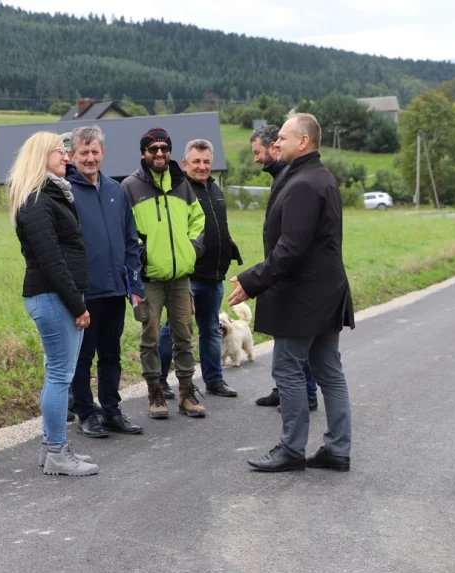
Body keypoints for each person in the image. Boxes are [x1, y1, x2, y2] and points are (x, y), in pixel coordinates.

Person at [229, 113, 355, 473]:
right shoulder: (318, 176)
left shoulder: (303, 184)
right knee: (328, 370)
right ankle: (337, 450)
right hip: (326, 293)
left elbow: (291, 248)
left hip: (304, 298)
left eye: (282, 138)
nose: (276, 143)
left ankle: (291, 449)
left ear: (303, 141)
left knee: (287, 368)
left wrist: (253, 280)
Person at [10, 131, 99, 476]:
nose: (66, 157)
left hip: (54, 295)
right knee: (61, 375)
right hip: (53, 296)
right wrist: (77, 304)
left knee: (56, 374)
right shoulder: (37, 201)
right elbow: (51, 260)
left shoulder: (49, 195)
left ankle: (51, 449)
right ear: (40, 157)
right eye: (59, 152)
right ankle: (58, 453)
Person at [122, 127, 207, 419]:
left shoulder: (182, 183)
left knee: (184, 335)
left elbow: (198, 219)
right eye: (153, 149)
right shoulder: (130, 187)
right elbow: (125, 230)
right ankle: (155, 392)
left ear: (170, 151)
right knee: (151, 338)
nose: (159, 153)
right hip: (149, 279)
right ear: (144, 153)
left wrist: (192, 248)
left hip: (180, 277)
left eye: (164, 148)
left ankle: (186, 393)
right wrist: (143, 255)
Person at [65, 126, 145, 438]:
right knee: (83, 357)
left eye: (95, 152)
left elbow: (130, 240)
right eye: (83, 152)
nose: (90, 158)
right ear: (72, 155)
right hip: (84, 292)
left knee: (111, 354)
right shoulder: (66, 193)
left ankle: (111, 410)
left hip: (115, 289)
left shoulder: (115, 190)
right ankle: (86, 413)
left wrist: (134, 285)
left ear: (103, 153)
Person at [158, 139, 242, 398]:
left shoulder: (215, 189)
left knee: (211, 330)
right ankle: (158, 381)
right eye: (196, 161)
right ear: (185, 164)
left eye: (206, 161)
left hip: (214, 274)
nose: (202, 166)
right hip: (189, 275)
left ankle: (214, 380)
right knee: (174, 329)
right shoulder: (178, 191)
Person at [250, 124, 319, 412]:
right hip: (280, 270)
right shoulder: (282, 175)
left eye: (258, 152)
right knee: (285, 334)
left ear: (273, 147)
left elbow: (292, 239)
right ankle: (285, 389)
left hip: (289, 273)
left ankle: (305, 394)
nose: (256, 159)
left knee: (293, 338)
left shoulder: (292, 176)